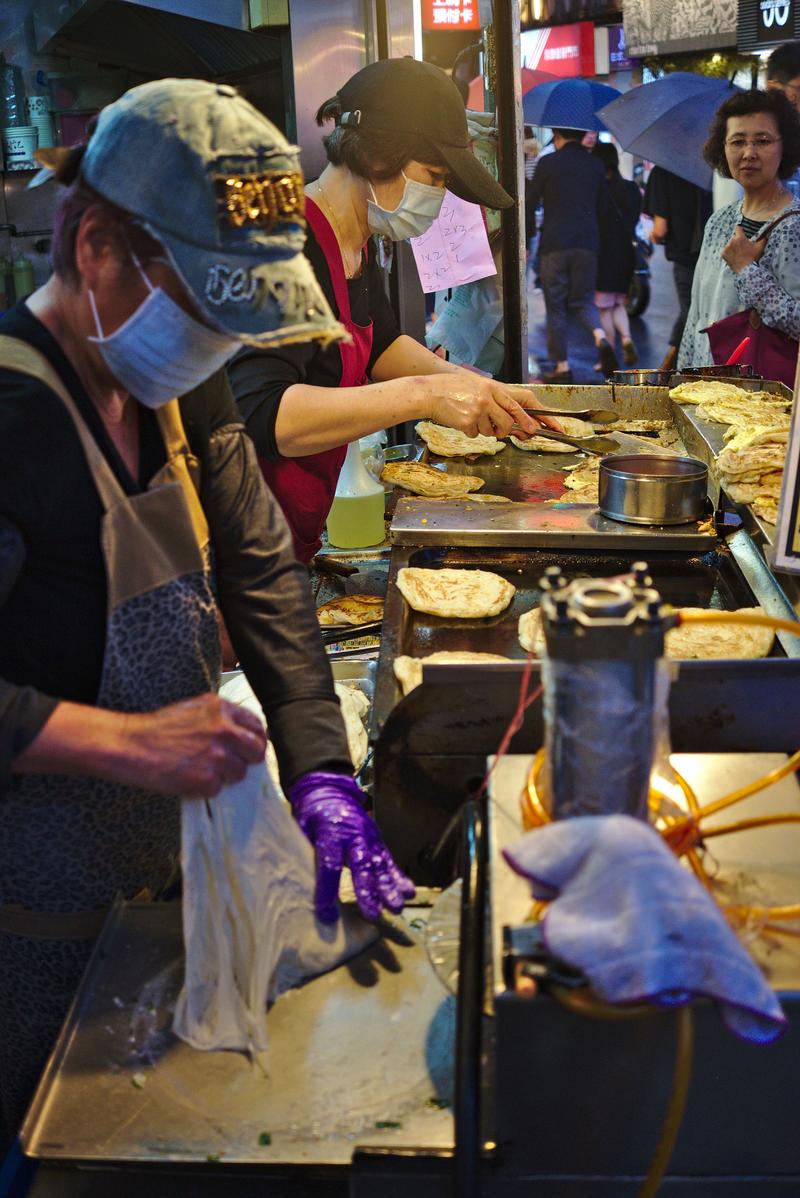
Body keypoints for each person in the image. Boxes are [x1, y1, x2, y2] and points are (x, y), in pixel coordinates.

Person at [0, 79, 413, 1148]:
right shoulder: (13, 416)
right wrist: (124, 741)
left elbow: (262, 569)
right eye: (202, 306)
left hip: (148, 885)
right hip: (21, 913)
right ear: (94, 246)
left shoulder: (182, 386)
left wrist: (320, 770)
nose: (216, 344)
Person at [228, 57, 558, 563]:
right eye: (435, 175)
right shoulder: (281, 243)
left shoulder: (359, 243)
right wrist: (427, 395)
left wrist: (475, 387)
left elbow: (381, 344)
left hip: (289, 534)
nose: (438, 195)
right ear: (379, 152)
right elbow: (265, 415)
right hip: (232, 549)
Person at [678, 89, 800, 370]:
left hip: (757, 403)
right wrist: (681, 378)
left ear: (786, 146)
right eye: (737, 141)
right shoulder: (719, 222)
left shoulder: (793, 226)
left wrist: (747, 269)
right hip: (704, 393)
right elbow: (697, 315)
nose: (749, 153)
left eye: (763, 141)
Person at [527, 127, 617, 383]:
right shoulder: (595, 164)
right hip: (587, 244)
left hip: (555, 243)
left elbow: (531, 201)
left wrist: (528, 238)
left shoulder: (548, 162)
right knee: (583, 301)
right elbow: (602, 207)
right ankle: (600, 336)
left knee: (556, 306)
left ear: (557, 137)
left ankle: (562, 366)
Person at [644, 166, 713, 370]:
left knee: (690, 313)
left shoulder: (664, 170)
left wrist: (653, 236)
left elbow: (659, 229)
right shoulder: (715, 168)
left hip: (686, 258)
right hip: (718, 254)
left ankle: (674, 369)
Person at [592, 141, 641, 369]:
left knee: (604, 307)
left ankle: (608, 357)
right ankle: (627, 339)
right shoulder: (632, 189)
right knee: (619, 303)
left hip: (604, 253)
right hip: (626, 253)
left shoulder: (598, 189)